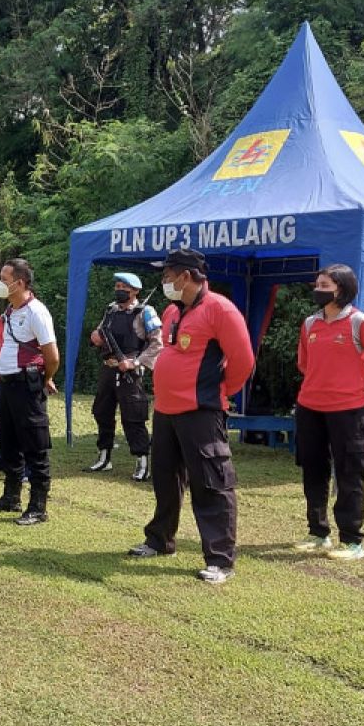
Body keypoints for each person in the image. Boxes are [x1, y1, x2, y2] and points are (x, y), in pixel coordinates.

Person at [128, 249, 254, 585]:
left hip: (201, 412)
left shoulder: (220, 310)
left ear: (186, 276)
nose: (165, 280)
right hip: (166, 411)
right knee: (165, 480)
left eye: (168, 274)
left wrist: (220, 391)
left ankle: (220, 559)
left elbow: (243, 361)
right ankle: (159, 539)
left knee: (211, 483)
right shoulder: (172, 311)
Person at [294, 264, 364, 561]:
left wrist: (360, 387)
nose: (318, 289)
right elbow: (303, 362)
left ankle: (352, 541)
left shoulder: (360, 322)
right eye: (317, 284)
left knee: (350, 472)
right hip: (310, 407)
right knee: (313, 469)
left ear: (342, 288)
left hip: (348, 410)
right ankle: (318, 533)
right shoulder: (310, 324)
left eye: (324, 284)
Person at [0, 259, 59, 525]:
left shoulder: (37, 312)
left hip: (27, 385)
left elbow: (52, 356)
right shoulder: (8, 313)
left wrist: (45, 378)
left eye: (4, 278)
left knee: (35, 445)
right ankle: (11, 497)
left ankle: (38, 506)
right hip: (5, 384)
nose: (0, 283)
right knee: (8, 441)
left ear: (20, 283)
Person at [86, 272, 162, 480]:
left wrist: (135, 362)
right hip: (108, 369)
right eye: (118, 285)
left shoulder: (145, 312)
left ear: (135, 290)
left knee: (133, 417)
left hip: (130, 372)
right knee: (102, 412)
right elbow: (100, 333)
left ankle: (142, 462)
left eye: (124, 287)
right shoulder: (110, 310)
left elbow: (157, 344)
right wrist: (95, 337)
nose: (119, 289)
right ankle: (104, 456)